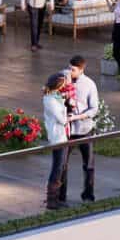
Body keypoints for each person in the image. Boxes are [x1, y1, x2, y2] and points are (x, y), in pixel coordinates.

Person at [66, 56, 99, 202]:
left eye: (72, 70)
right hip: (67, 131)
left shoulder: (89, 84)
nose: (70, 71)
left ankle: (88, 195)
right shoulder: (64, 80)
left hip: (84, 130)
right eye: (69, 68)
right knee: (62, 165)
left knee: (89, 165)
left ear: (81, 70)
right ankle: (60, 197)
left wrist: (78, 117)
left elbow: (94, 109)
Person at [42, 72, 72, 209]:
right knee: (57, 167)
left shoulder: (55, 97)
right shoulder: (50, 100)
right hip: (57, 137)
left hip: (61, 136)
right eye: (63, 84)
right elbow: (62, 120)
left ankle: (57, 197)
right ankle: (51, 200)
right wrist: (66, 110)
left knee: (61, 166)